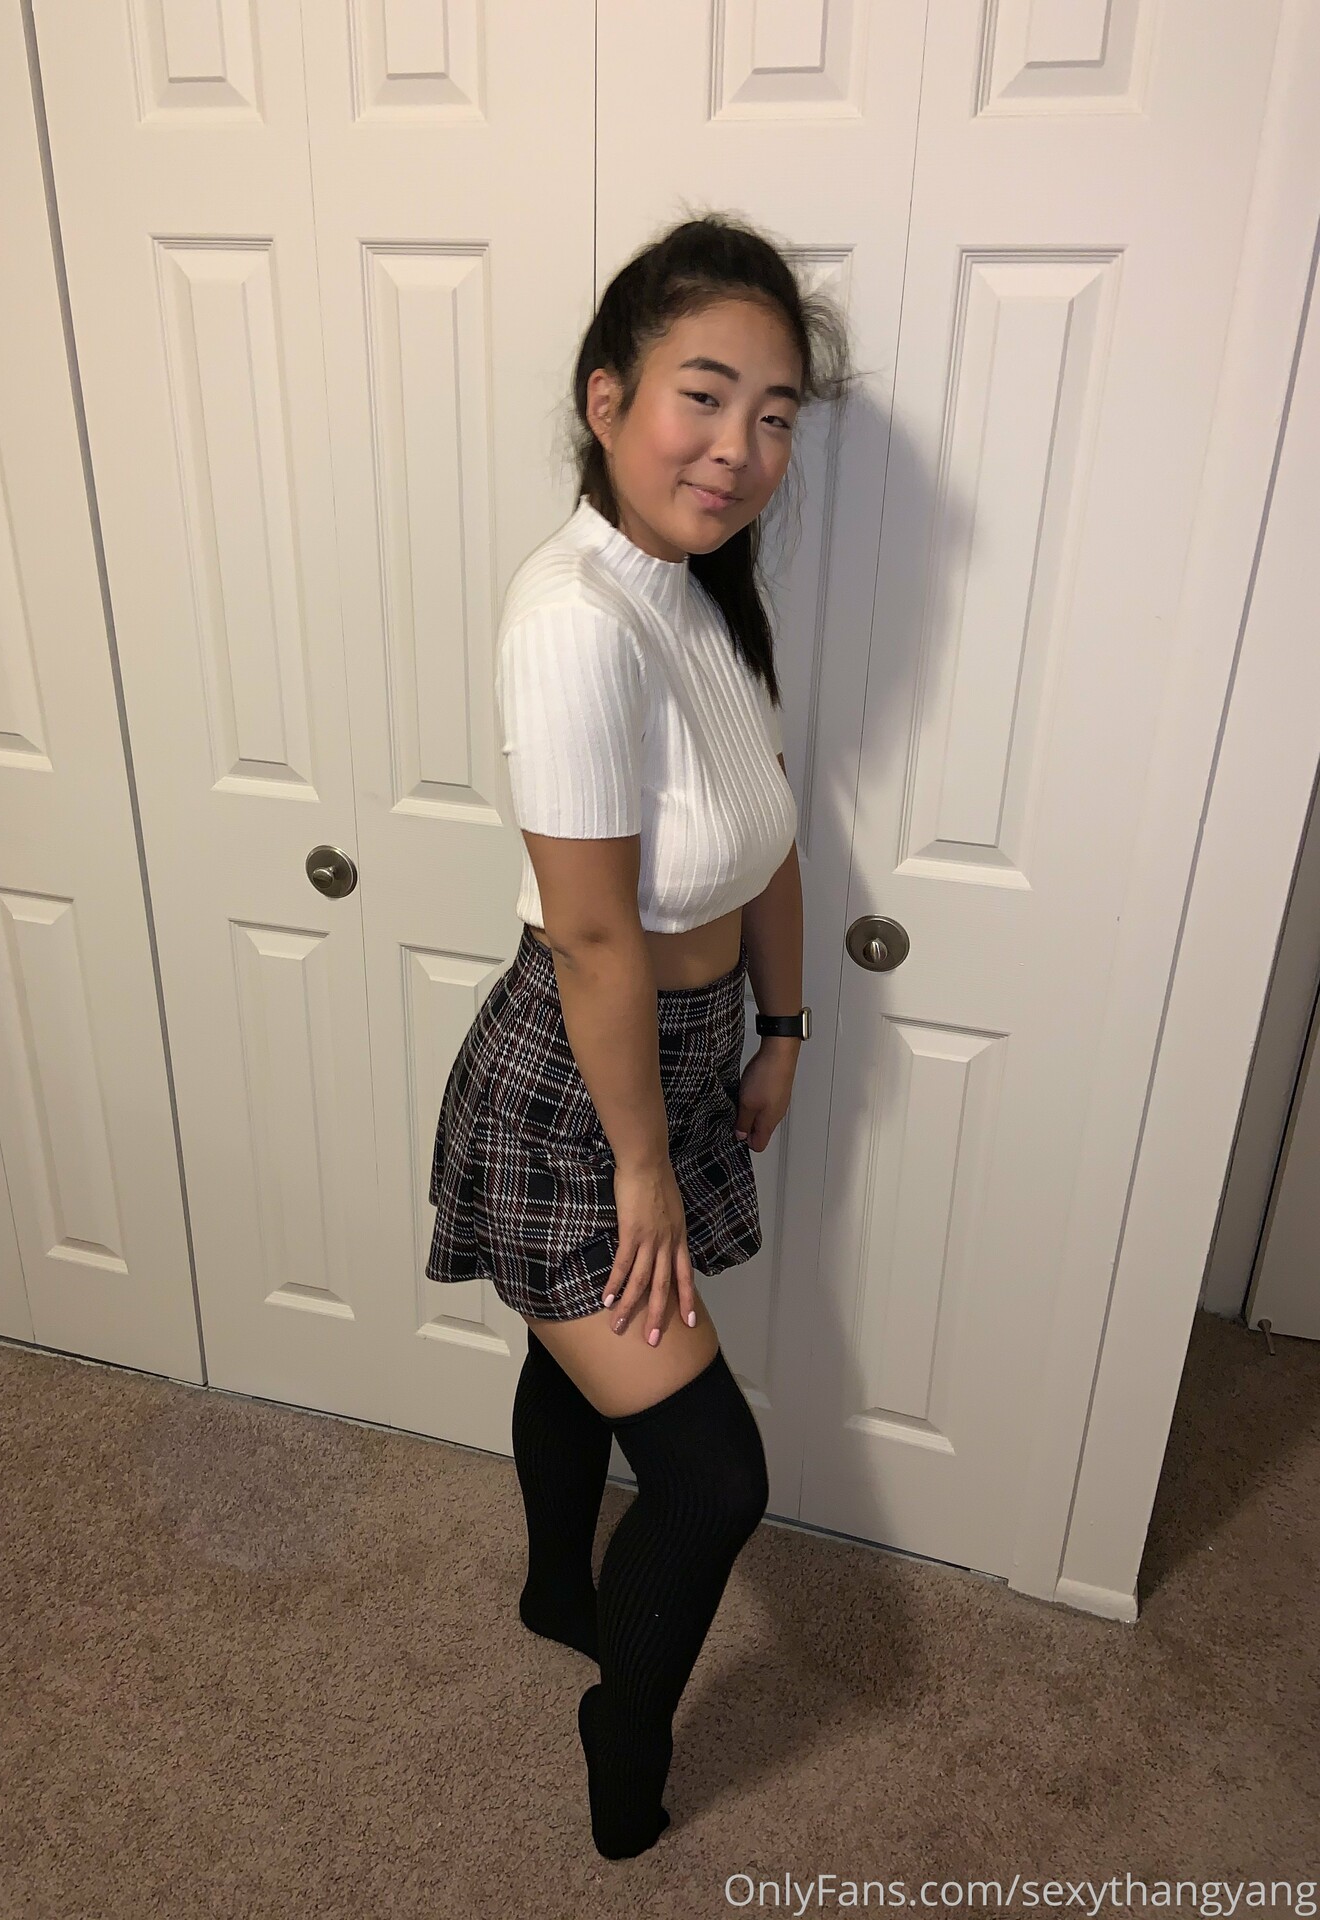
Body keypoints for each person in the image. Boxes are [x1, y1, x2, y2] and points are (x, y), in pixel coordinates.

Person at [425, 212, 852, 1859]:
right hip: (577, 1085)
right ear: (606, 400)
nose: (741, 447)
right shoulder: (574, 618)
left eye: (776, 415)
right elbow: (597, 934)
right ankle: (624, 1716)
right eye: (705, 395)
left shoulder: (696, 595)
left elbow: (773, 838)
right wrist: (644, 1166)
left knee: (573, 1358)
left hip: (674, 1054)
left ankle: (558, 1588)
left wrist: (785, 1024)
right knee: (714, 1476)